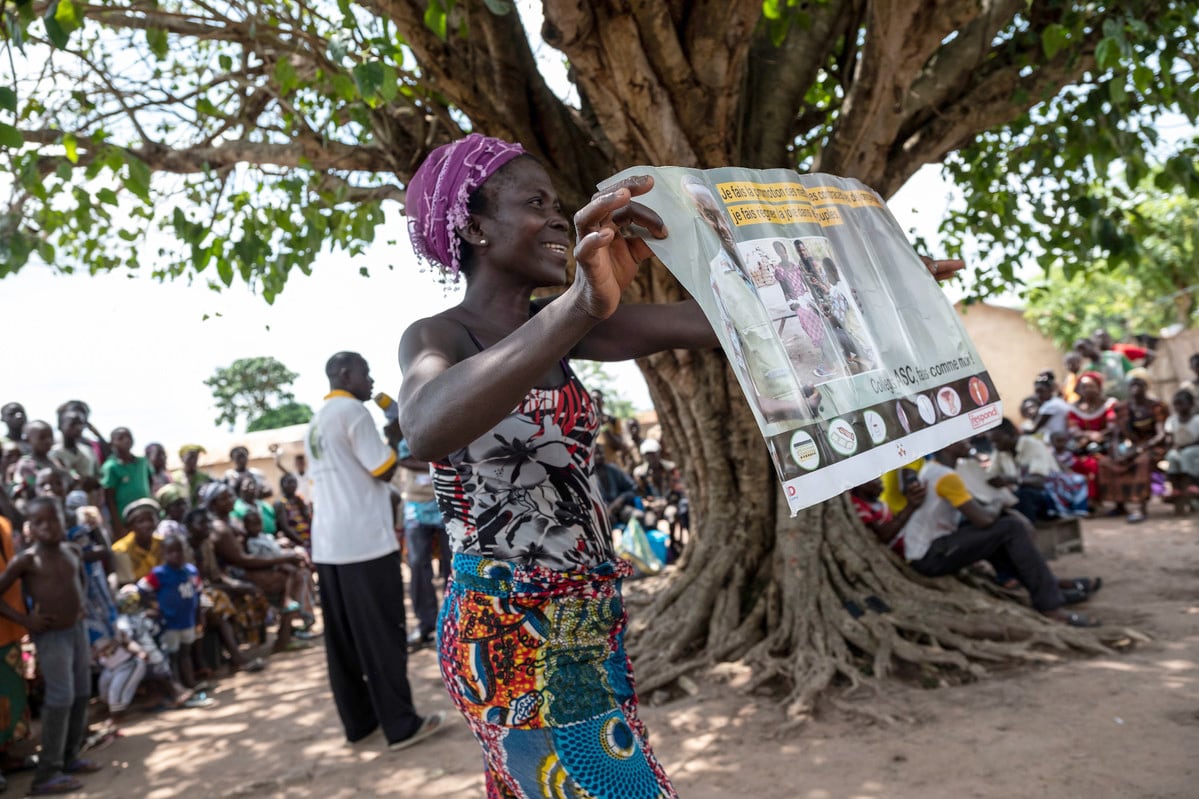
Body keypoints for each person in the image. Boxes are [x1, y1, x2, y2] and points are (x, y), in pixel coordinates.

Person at [398, 134, 719, 797]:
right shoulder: (440, 336)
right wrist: (579, 304)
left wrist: (868, 275)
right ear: (474, 226)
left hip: (586, 624)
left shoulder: (573, 328)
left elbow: (719, 320)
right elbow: (425, 425)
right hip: (507, 629)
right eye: (534, 202)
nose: (555, 216)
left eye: (558, 203)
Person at [306, 351, 445, 750]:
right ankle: (401, 726)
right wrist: (398, 433)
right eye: (365, 374)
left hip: (329, 546)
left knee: (343, 641)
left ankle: (360, 722)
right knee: (384, 635)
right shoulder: (353, 413)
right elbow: (383, 468)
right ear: (345, 374)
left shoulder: (317, 421)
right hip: (365, 544)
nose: (371, 381)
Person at [901, 441, 1100, 627]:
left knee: (1001, 530)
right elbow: (984, 519)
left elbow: (975, 512)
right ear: (949, 446)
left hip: (934, 548)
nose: (968, 443)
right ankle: (1050, 606)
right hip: (930, 555)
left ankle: (1051, 588)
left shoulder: (936, 470)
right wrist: (999, 504)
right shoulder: (946, 476)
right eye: (962, 440)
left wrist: (1000, 509)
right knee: (1010, 528)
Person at [0, 497, 103, 794]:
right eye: (39, 522)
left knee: (82, 692)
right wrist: (25, 620)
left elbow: (80, 579)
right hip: (52, 636)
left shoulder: (72, 551)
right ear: (30, 528)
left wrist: (81, 602)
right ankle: (47, 773)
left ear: (63, 520)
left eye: (53, 519)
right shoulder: (27, 560)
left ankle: (71, 757)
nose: (48, 527)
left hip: (76, 631)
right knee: (60, 698)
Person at [396, 437, 449, 651]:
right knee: (417, 564)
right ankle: (426, 624)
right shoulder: (408, 426)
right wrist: (435, 463)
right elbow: (404, 459)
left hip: (445, 500)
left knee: (452, 563)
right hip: (417, 506)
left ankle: (451, 618)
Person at [138, 534, 204, 692]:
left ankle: (191, 682)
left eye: (179, 551)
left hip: (187, 620)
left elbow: (198, 594)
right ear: (164, 554)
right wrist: (153, 606)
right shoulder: (159, 574)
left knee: (186, 652)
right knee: (172, 656)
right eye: (171, 552)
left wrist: (199, 617)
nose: (176, 555)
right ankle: (178, 687)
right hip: (169, 623)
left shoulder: (191, 571)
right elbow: (142, 589)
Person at [987, 419, 1089, 519]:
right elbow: (991, 474)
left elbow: (1040, 481)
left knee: (1024, 495)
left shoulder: (1033, 445)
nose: (995, 446)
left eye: (997, 441)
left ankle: (1027, 531)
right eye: (992, 442)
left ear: (1013, 434)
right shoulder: (1000, 452)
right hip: (1030, 496)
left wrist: (1011, 480)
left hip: (1051, 497)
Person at [1104, 369, 1166, 523]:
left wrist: (1142, 448)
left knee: (1142, 462)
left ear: (1146, 386)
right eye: (1132, 383)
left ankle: (1140, 507)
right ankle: (1119, 504)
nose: (1135, 387)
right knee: (1106, 462)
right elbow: (1117, 434)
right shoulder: (1122, 408)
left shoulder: (1156, 406)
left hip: (1153, 447)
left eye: (1139, 383)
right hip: (1133, 447)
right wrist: (1116, 451)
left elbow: (1161, 435)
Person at [0, 513, 29, 793]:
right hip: (10, 622)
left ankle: (7, 757)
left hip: (8, 630)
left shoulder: (4, 524)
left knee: (10, 694)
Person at [1067, 371, 1117, 506]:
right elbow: (1073, 429)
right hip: (1083, 446)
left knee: (1095, 462)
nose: (1087, 390)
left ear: (1099, 387)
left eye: (1091, 386)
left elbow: (1112, 426)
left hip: (1105, 445)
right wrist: (1089, 435)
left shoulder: (1108, 404)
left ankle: (1095, 500)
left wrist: (1099, 436)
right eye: (1083, 387)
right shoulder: (1074, 408)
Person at [849, 475, 925, 555]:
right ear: (860, 483)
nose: (880, 480)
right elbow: (880, 536)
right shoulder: (858, 507)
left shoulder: (879, 503)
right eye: (874, 478)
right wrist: (910, 507)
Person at [100, 427, 152, 539]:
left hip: (145, 513)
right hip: (124, 518)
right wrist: (117, 524)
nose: (126, 440)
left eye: (129, 437)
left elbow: (150, 481)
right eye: (121, 438)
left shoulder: (142, 462)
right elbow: (109, 498)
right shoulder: (111, 467)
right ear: (112, 443)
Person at [111, 498, 164, 585]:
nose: (147, 525)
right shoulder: (121, 550)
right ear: (131, 526)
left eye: (150, 520)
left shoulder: (162, 543)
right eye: (141, 521)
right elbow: (127, 584)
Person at [1164, 389, 1199, 513]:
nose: (1178, 407)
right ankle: (1175, 487)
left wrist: (1185, 446)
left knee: (1187, 454)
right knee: (1171, 457)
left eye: (1181, 403)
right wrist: (1171, 446)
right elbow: (1169, 437)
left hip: (1195, 449)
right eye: (1176, 404)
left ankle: (1193, 484)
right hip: (1178, 449)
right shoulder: (1172, 420)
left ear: (1190, 404)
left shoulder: (1196, 420)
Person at [51, 411, 98, 494]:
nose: (78, 428)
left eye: (81, 424)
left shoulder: (88, 450)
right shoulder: (53, 454)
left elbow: (98, 476)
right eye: (73, 424)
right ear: (60, 426)